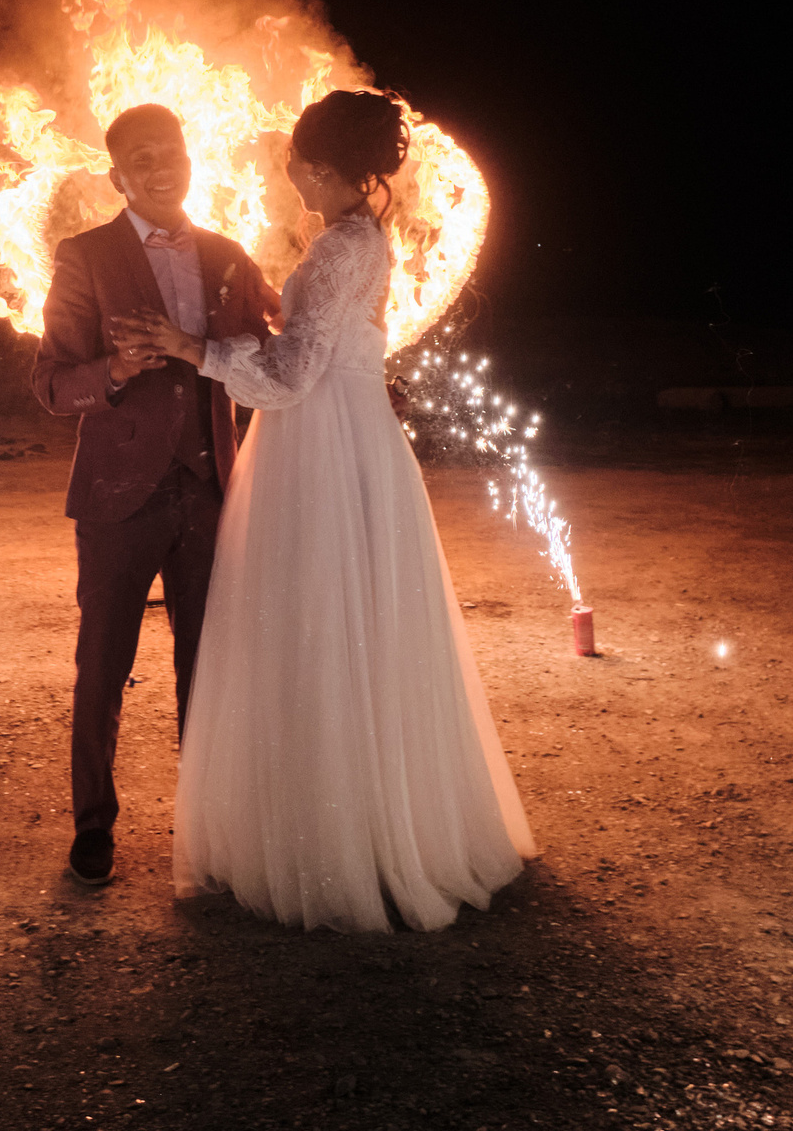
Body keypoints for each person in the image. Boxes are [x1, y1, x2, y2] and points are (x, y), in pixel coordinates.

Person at [118, 90, 535, 932]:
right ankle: (363, 817)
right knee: (354, 625)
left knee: (320, 619)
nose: (293, 184)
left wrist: (188, 347)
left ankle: (340, 842)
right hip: (348, 437)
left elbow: (291, 376)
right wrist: (275, 310)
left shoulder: (344, 245)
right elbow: (320, 338)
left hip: (322, 442)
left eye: (298, 170)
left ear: (325, 167)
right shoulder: (357, 240)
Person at [31, 104, 277, 887]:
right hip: (117, 495)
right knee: (102, 664)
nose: (160, 166)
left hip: (209, 490)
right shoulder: (85, 256)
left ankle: (206, 831)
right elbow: (48, 383)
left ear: (188, 158)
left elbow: (273, 353)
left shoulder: (229, 255)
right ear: (118, 176)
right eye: (141, 157)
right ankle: (93, 828)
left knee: (208, 668)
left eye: (170, 150)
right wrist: (111, 373)